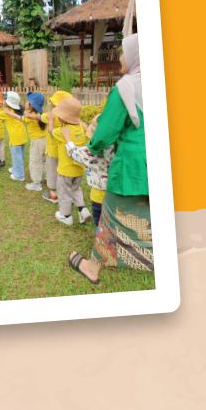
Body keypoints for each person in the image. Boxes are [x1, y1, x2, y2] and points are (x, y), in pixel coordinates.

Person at [69, 34, 151, 284]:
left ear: (136, 56)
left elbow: (105, 133)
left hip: (133, 166)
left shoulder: (126, 86)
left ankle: (93, 266)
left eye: (124, 53)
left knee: (110, 215)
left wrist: (91, 144)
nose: (120, 58)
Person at [51, 97, 92, 226]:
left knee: (64, 193)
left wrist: (51, 121)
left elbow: (51, 132)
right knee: (76, 189)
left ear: (63, 117)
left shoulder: (62, 131)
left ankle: (66, 215)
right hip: (79, 170)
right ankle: (82, 209)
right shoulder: (80, 128)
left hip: (65, 170)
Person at [41, 90, 73, 203]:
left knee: (51, 171)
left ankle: (53, 194)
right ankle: (66, 192)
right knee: (62, 172)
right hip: (64, 150)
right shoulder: (70, 118)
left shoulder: (52, 115)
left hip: (52, 149)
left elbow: (43, 117)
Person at [0, 91, 28, 182]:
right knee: (20, 155)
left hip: (15, 138)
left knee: (16, 156)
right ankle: (16, 168)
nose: (2, 101)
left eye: (4, 99)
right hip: (23, 135)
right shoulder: (17, 110)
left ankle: (19, 175)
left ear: (8, 102)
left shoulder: (6, 112)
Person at [23, 92, 48, 191]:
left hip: (37, 142)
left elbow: (21, 118)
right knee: (45, 161)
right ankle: (48, 178)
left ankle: (36, 183)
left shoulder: (30, 115)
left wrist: (25, 110)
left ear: (31, 104)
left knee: (35, 161)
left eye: (28, 101)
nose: (26, 102)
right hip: (45, 141)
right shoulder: (40, 114)